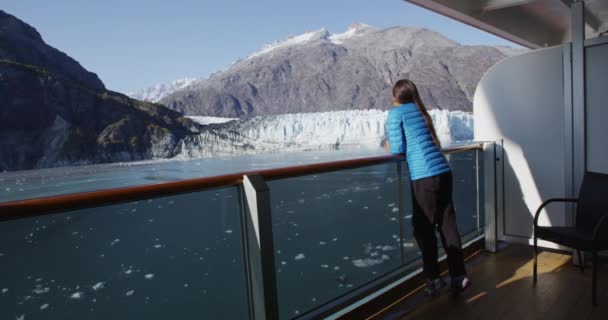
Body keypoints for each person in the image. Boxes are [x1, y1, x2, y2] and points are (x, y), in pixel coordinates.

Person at [385, 79, 470, 296]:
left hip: (425, 177)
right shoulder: (421, 110)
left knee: (424, 230)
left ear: (396, 97)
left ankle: (433, 279)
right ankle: (458, 276)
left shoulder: (396, 113)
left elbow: (397, 148)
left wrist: (387, 145)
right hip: (443, 172)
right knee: (447, 225)